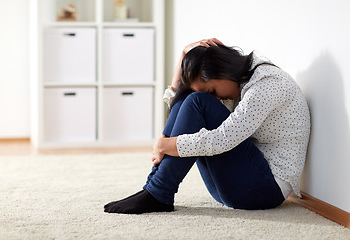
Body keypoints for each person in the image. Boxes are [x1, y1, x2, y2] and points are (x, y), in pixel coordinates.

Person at [104, 38, 311, 214]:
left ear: (223, 71)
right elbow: (180, 106)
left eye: (212, 89)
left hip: (265, 190)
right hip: (237, 186)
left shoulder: (266, 84)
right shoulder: (238, 83)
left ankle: (158, 192)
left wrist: (165, 145)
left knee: (197, 102)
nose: (216, 97)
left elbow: (222, 138)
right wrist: (183, 57)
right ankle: (155, 189)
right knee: (189, 98)